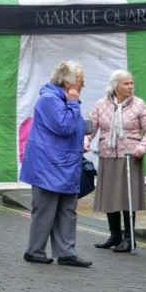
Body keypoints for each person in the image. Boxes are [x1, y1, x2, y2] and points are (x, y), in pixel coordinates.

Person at [20, 60, 91, 267]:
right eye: (81, 81)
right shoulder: (51, 99)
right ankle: (35, 251)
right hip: (49, 165)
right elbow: (64, 127)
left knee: (67, 209)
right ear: (69, 83)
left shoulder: (60, 98)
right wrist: (74, 103)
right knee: (46, 210)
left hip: (63, 164)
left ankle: (66, 252)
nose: (83, 85)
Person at [88, 69, 146, 253]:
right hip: (108, 155)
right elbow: (91, 129)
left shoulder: (139, 104)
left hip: (130, 156)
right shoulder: (101, 104)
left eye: (131, 83)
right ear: (115, 86)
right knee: (110, 196)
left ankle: (130, 239)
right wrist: (86, 141)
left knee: (128, 198)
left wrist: (142, 148)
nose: (130, 86)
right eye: (126, 83)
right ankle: (115, 235)